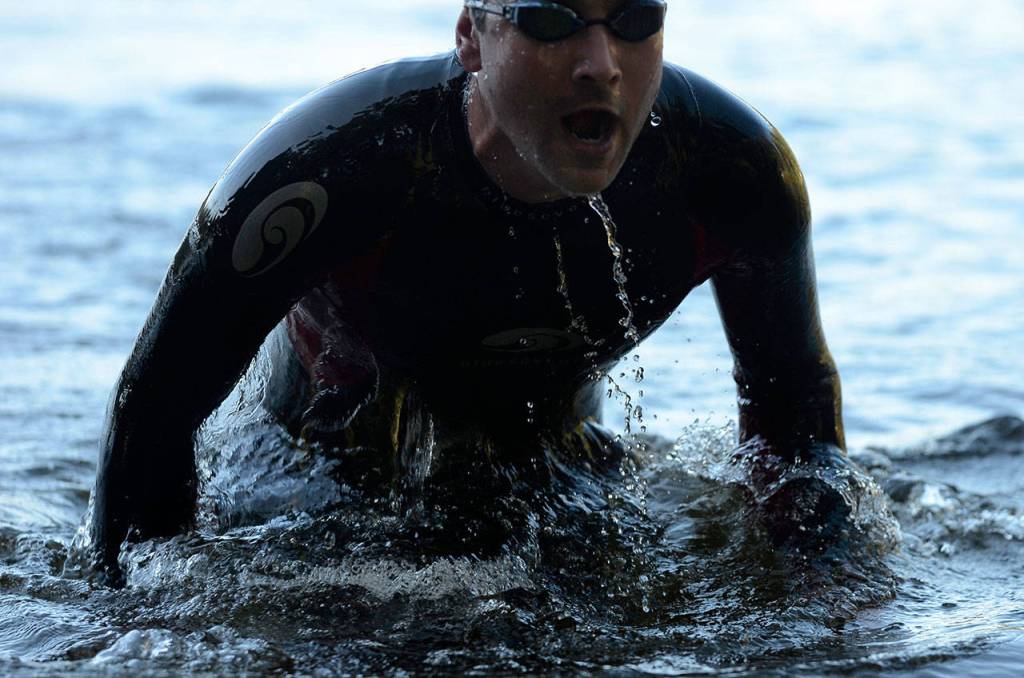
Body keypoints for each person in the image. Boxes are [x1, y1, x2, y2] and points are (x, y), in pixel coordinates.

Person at [88, 0, 852, 584]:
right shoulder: (330, 168)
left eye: (634, 19)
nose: (601, 64)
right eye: (551, 21)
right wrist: (144, 622)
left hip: (563, 470)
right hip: (311, 479)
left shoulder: (732, 172)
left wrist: (822, 595)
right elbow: (152, 410)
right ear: (470, 37)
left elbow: (795, 417)